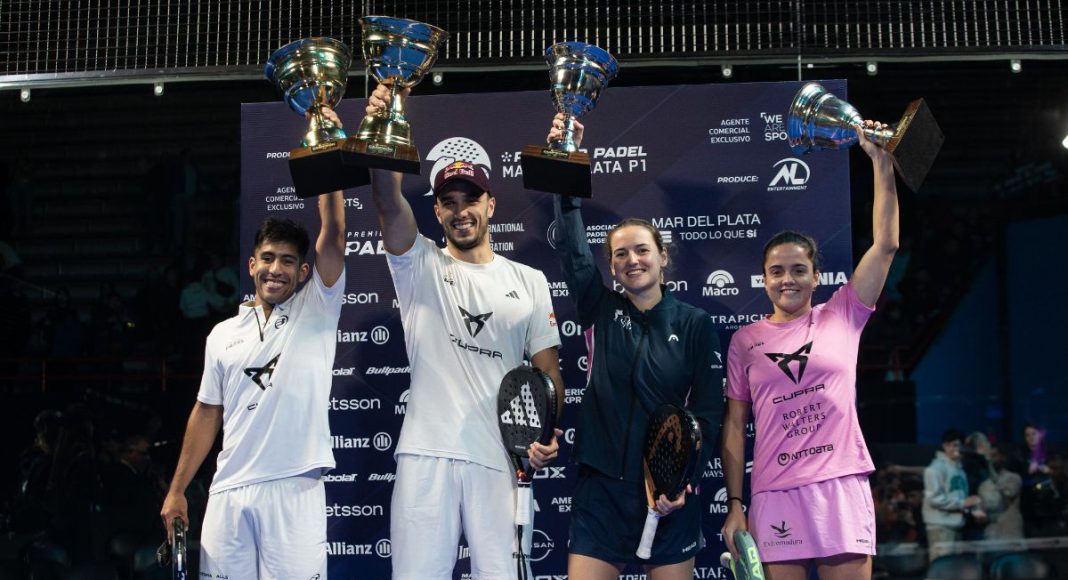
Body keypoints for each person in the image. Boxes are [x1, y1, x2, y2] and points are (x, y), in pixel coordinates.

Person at [355, 86, 565, 579]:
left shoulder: (529, 281)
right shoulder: (419, 264)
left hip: (501, 456)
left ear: (491, 205)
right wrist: (382, 129)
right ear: (437, 212)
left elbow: (549, 375)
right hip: (426, 455)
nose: (460, 210)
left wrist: (544, 434)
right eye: (448, 202)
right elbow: (387, 202)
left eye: (471, 199)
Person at [721, 122, 898, 579]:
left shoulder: (842, 314)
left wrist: (881, 162)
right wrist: (736, 504)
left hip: (840, 485)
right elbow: (736, 427)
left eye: (799, 270)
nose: (788, 280)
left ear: (817, 277)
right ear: (764, 279)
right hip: (775, 492)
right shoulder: (745, 341)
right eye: (777, 271)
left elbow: (885, 246)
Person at [547, 116, 722, 579]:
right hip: (601, 493)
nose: (632, 260)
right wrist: (565, 165)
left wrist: (681, 481)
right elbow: (572, 250)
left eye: (642, 250)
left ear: (663, 257)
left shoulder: (695, 324)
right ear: (611, 266)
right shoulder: (599, 308)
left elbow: (708, 414)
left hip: (668, 494)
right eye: (620, 254)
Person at [159, 188, 345, 579]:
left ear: (303, 272)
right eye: (268, 257)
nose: (275, 269)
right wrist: (177, 489)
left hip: (294, 488)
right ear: (251, 264)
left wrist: (328, 168)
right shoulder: (221, 334)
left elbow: (333, 235)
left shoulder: (317, 309)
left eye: (288, 261)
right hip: (228, 492)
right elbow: (207, 413)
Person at [922, 429, 984, 560]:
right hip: (940, 526)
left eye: (957, 445)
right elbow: (934, 499)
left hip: (956, 525)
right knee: (942, 566)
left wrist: (972, 508)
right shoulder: (935, 468)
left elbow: (959, 496)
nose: (954, 449)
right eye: (950, 445)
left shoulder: (958, 469)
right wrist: (962, 503)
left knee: (955, 566)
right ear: (944, 446)